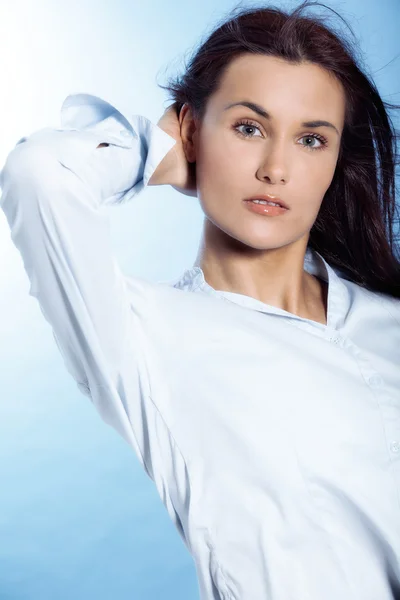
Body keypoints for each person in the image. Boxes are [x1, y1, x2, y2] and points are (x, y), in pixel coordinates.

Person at [1, 1, 400, 598]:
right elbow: (39, 173)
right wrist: (156, 152)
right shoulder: (143, 339)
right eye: (248, 128)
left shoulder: (389, 322)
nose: (275, 168)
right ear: (191, 130)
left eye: (311, 139)